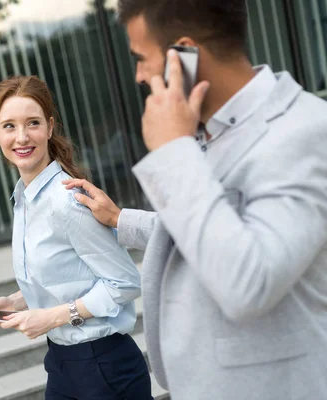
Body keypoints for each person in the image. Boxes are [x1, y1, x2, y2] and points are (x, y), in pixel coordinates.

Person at [63, 0, 327, 399]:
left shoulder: (304, 132)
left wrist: (172, 153)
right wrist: (120, 219)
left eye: (140, 58)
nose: (137, 75)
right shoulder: (204, 130)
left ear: (183, 54)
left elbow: (249, 281)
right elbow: (216, 229)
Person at [0, 75, 152, 399]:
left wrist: (52, 317)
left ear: (50, 127)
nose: (22, 136)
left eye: (33, 123)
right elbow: (67, 274)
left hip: (104, 366)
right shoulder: (25, 199)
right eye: (9, 126)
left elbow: (126, 282)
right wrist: (15, 301)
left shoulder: (68, 200)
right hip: (61, 362)